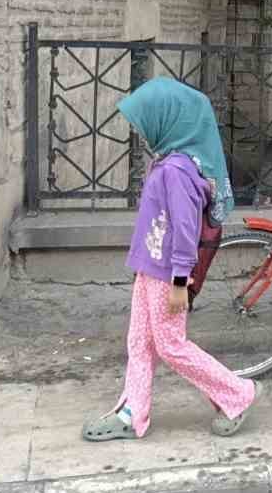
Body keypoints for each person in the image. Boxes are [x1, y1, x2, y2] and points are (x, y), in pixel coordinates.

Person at [83, 78, 261, 442]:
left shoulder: (177, 171)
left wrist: (181, 280)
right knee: (139, 341)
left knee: (170, 345)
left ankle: (237, 393)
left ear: (168, 120)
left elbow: (184, 231)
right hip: (150, 268)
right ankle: (132, 412)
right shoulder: (168, 162)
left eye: (143, 120)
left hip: (168, 274)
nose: (139, 129)